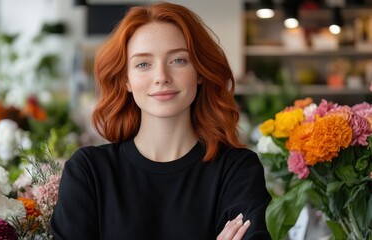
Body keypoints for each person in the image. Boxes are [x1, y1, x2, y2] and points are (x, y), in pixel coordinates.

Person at [50, 2, 271, 239]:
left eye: (178, 60)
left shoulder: (237, 170)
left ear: (199, 71)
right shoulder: (89, 172)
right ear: (126, 80)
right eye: (143, 64)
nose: (161, 77)